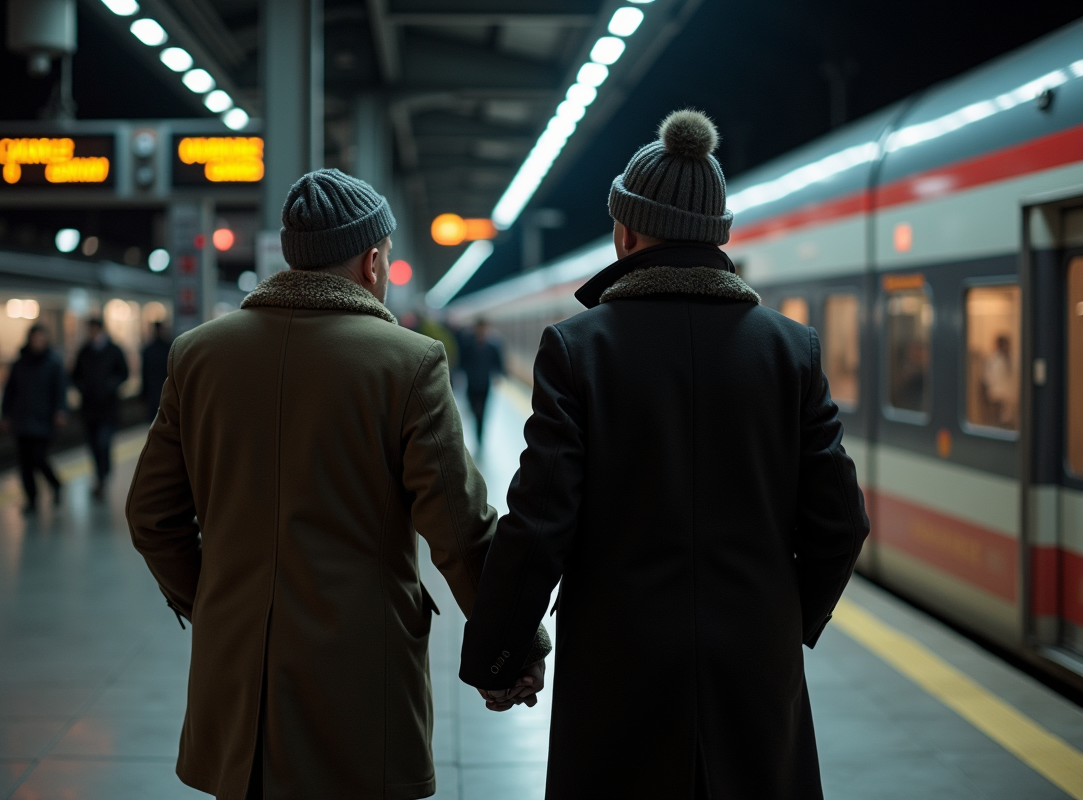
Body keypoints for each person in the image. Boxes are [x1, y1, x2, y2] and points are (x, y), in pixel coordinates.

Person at [459, 110, 870, 799]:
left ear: (626, 232)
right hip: (755, 673)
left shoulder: (577, 348)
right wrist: (775, 619)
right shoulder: (791, 349)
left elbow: (540, 523)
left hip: (619, 671)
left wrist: (500, 657)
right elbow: (842, 522)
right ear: (718, 235)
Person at [125, 168, 548, 800]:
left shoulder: (198, 354)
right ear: (372, 260)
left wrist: (217, 602)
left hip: (236, 677)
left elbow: (151, 516)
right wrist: (511, 643)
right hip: (361, 677)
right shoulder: (407, 361)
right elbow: (459, 531)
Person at [0, 324, 67, 513]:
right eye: (35, 338)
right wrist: (5, 414)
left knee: (39, 458)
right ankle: (31, 499)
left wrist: (60, 411)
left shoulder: (53, 363)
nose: (38, 342)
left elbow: (60, 390)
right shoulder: (20, 363)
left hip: (43, 420)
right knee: (25, 464)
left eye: (41, 338)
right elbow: (9, 390)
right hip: (22, 420)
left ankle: (55, 483)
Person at [72, 318, 128, 498]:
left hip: (108, 408)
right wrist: (84, 388)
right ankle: (100, 475)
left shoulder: (113, 350)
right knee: (94, 446)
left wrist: (110, 386)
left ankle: (103, 476)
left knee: (103, 443)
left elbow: (124, 373)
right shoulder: (84, 351)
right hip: (89, 409)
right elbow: (74, 375)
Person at [458, 319, 504, 446]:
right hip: (471, 383)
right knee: (473, 408)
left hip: (485, 383)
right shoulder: (468, 346)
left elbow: (498, 363)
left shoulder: (492, 347)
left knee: (482, 411)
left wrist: (498, 376)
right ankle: (477, 427)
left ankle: (480, 435)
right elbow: (462, 362)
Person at [141, 321, 172, 421]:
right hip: (166, 390)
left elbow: (144, 373)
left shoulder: (148, 350)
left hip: (154, 391)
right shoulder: (169, 348)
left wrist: (144, 393)